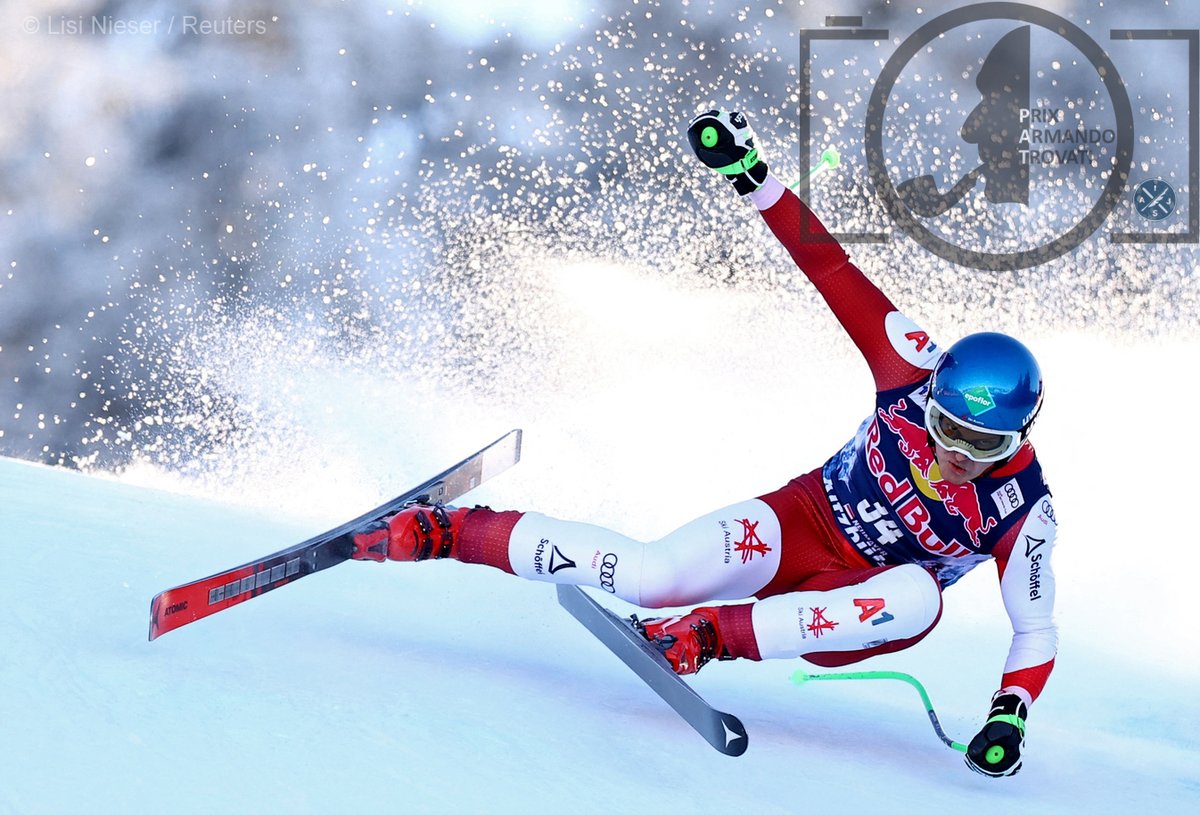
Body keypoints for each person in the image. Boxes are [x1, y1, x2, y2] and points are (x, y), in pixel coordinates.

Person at [351, 109, 1058, 778]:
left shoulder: (1024, 509)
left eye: (985, 445)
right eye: (948, 429)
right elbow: (832, 268)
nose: (959, 454)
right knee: (651, 577)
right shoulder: (910, 366)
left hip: (855, 607)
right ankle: (446, 532)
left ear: (1020, 438)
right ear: (932, 397)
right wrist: (751, 174)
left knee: (919, 595)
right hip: (804, 521)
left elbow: (1033, 630)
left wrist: (1010, 716)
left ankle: (708, 634)